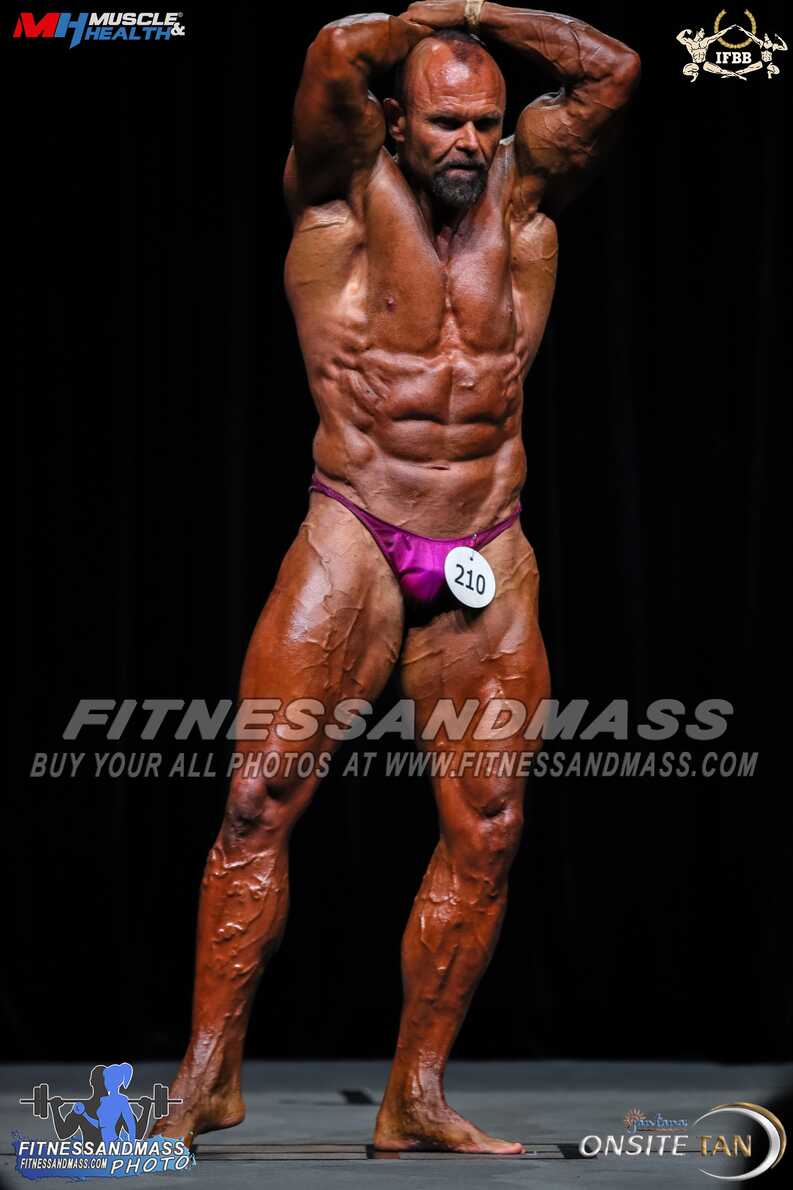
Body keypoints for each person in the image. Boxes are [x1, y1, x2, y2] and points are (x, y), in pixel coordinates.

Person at [155, 0, 639, 1154]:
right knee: (256, 800)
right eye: (444, 121)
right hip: (358, 529)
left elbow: (615, 71)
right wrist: (425, 21)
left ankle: (413, 1093)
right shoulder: (336, 190)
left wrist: (476, 17)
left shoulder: (521, 196)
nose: (469, 142)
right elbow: (335, 50)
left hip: (486, 540)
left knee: (490, 827)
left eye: (485, 122)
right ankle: (205, 1079)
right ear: (391, 119)